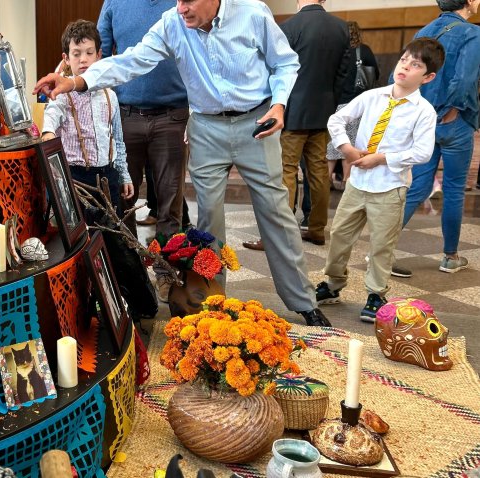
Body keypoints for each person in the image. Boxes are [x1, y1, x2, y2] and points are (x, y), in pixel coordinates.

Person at [34, 0, 332, 327]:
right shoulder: (172, 23)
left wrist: (279, 105)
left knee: (275, 211)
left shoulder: (252, 12)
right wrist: (76, 83)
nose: (181, 8)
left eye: (189, 0)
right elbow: (131, 61)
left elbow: (285, 63)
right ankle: (213, 300)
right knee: (209, 220)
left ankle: (303, 301)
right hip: (206, 126)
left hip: (257, 121)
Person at [317, 38, 441, 322]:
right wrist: (346, 147)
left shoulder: (423, 111)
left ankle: (376, 292)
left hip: (390, 186)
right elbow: (337, 120)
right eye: (404, 60)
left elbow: (422, 152)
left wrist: (381, 158)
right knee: (339, 235)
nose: (405, 67)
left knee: (382, 243)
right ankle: (333, 284)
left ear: (428, 76)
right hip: (358, 183)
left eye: (415, 65)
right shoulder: (372, 97)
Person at [98, 0, 190, 300]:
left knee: (170, 202)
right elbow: (99, 52)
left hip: (173, 115)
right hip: (126, 115)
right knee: (123, 203)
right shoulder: (114, 3)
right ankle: (133, 276)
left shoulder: (180, 4)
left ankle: (166, 272)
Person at [243, 0, 350, 250]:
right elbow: (344, 75)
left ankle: (281, 234)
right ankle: (316, 229)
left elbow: (275, 71)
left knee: (286, 172)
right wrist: (331, 107)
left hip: (291, 112)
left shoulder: (289, 26)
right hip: (323, 113)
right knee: (319, 173)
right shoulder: (341, 28)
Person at [392, 0, 480, 278]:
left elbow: (409, 76)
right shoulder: (472, 33)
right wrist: (451, 112)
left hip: (423, 120)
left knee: (417, 186)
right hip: (454, 122)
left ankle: (383, 250)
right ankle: (450, 257)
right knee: (453, 189)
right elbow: (465, 79)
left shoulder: (424, 32)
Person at [41, 19, 134, 216]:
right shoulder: (62, 95)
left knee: (111, 233)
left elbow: (118, 140)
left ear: (99, 55)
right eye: (76, 54)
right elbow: (51, 114)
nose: (83, 59)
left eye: (89, 53)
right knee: (83, 236)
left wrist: (124, 175)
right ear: (66, 58)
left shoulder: (111, 96)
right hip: (76, 178)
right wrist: (48, 132)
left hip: (108, 176)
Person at [326, 21, 380, 192]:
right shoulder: (363, 50)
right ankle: (347, 182)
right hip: (357, 102)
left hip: (335, 102)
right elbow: (375, 73)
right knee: (350, 143)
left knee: (333, 144)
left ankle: (325, 180)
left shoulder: (335, 51)